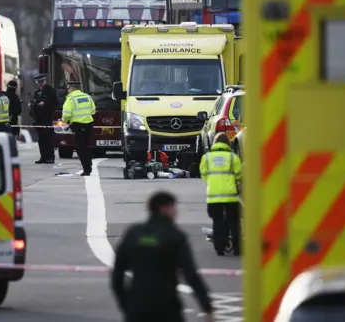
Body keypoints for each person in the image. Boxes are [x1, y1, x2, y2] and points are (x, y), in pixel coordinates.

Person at [111, 191, 214, 322]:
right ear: (164, 208)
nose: (176, 211)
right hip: (166, 306)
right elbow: (190, 274)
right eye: (173, 207)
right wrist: (207, 306)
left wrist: (126, 304)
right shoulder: (174, 235)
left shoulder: (133, 233)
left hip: (138, 304)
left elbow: (117, 275)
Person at [199, 132, 243, 257]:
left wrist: (214, 182)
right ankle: (237, 249)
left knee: (217, 222)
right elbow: (239, 174)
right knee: (234, 222)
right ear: (227, 144)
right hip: (230, 196)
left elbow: (204, 175)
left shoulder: (206, 158)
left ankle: (220, 249)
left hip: (213, 197)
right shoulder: (233, 157)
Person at [61, 81, 95, 176]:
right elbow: (93, 111)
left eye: (68, 88)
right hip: (89, 125)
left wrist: (64, 120)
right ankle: (89, 163)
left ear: (71, 88)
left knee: (80, 148)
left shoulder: (70, 99)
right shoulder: (87, 97)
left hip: (78, 125)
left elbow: (66, 115)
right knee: (85, 146)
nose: (68, 90)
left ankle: (87, 169)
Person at [30, 74, 58, 164]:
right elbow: (34, 101)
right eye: (38, 82)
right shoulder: (37, 92)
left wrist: (44, 103)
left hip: (47, 118)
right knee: (41, 139)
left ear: (45, 81)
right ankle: (43, 156)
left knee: (48, 139)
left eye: (41, 82)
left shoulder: (51, 90)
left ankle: (50, 157)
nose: (40, 84)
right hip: (38, 118)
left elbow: (55, 102)